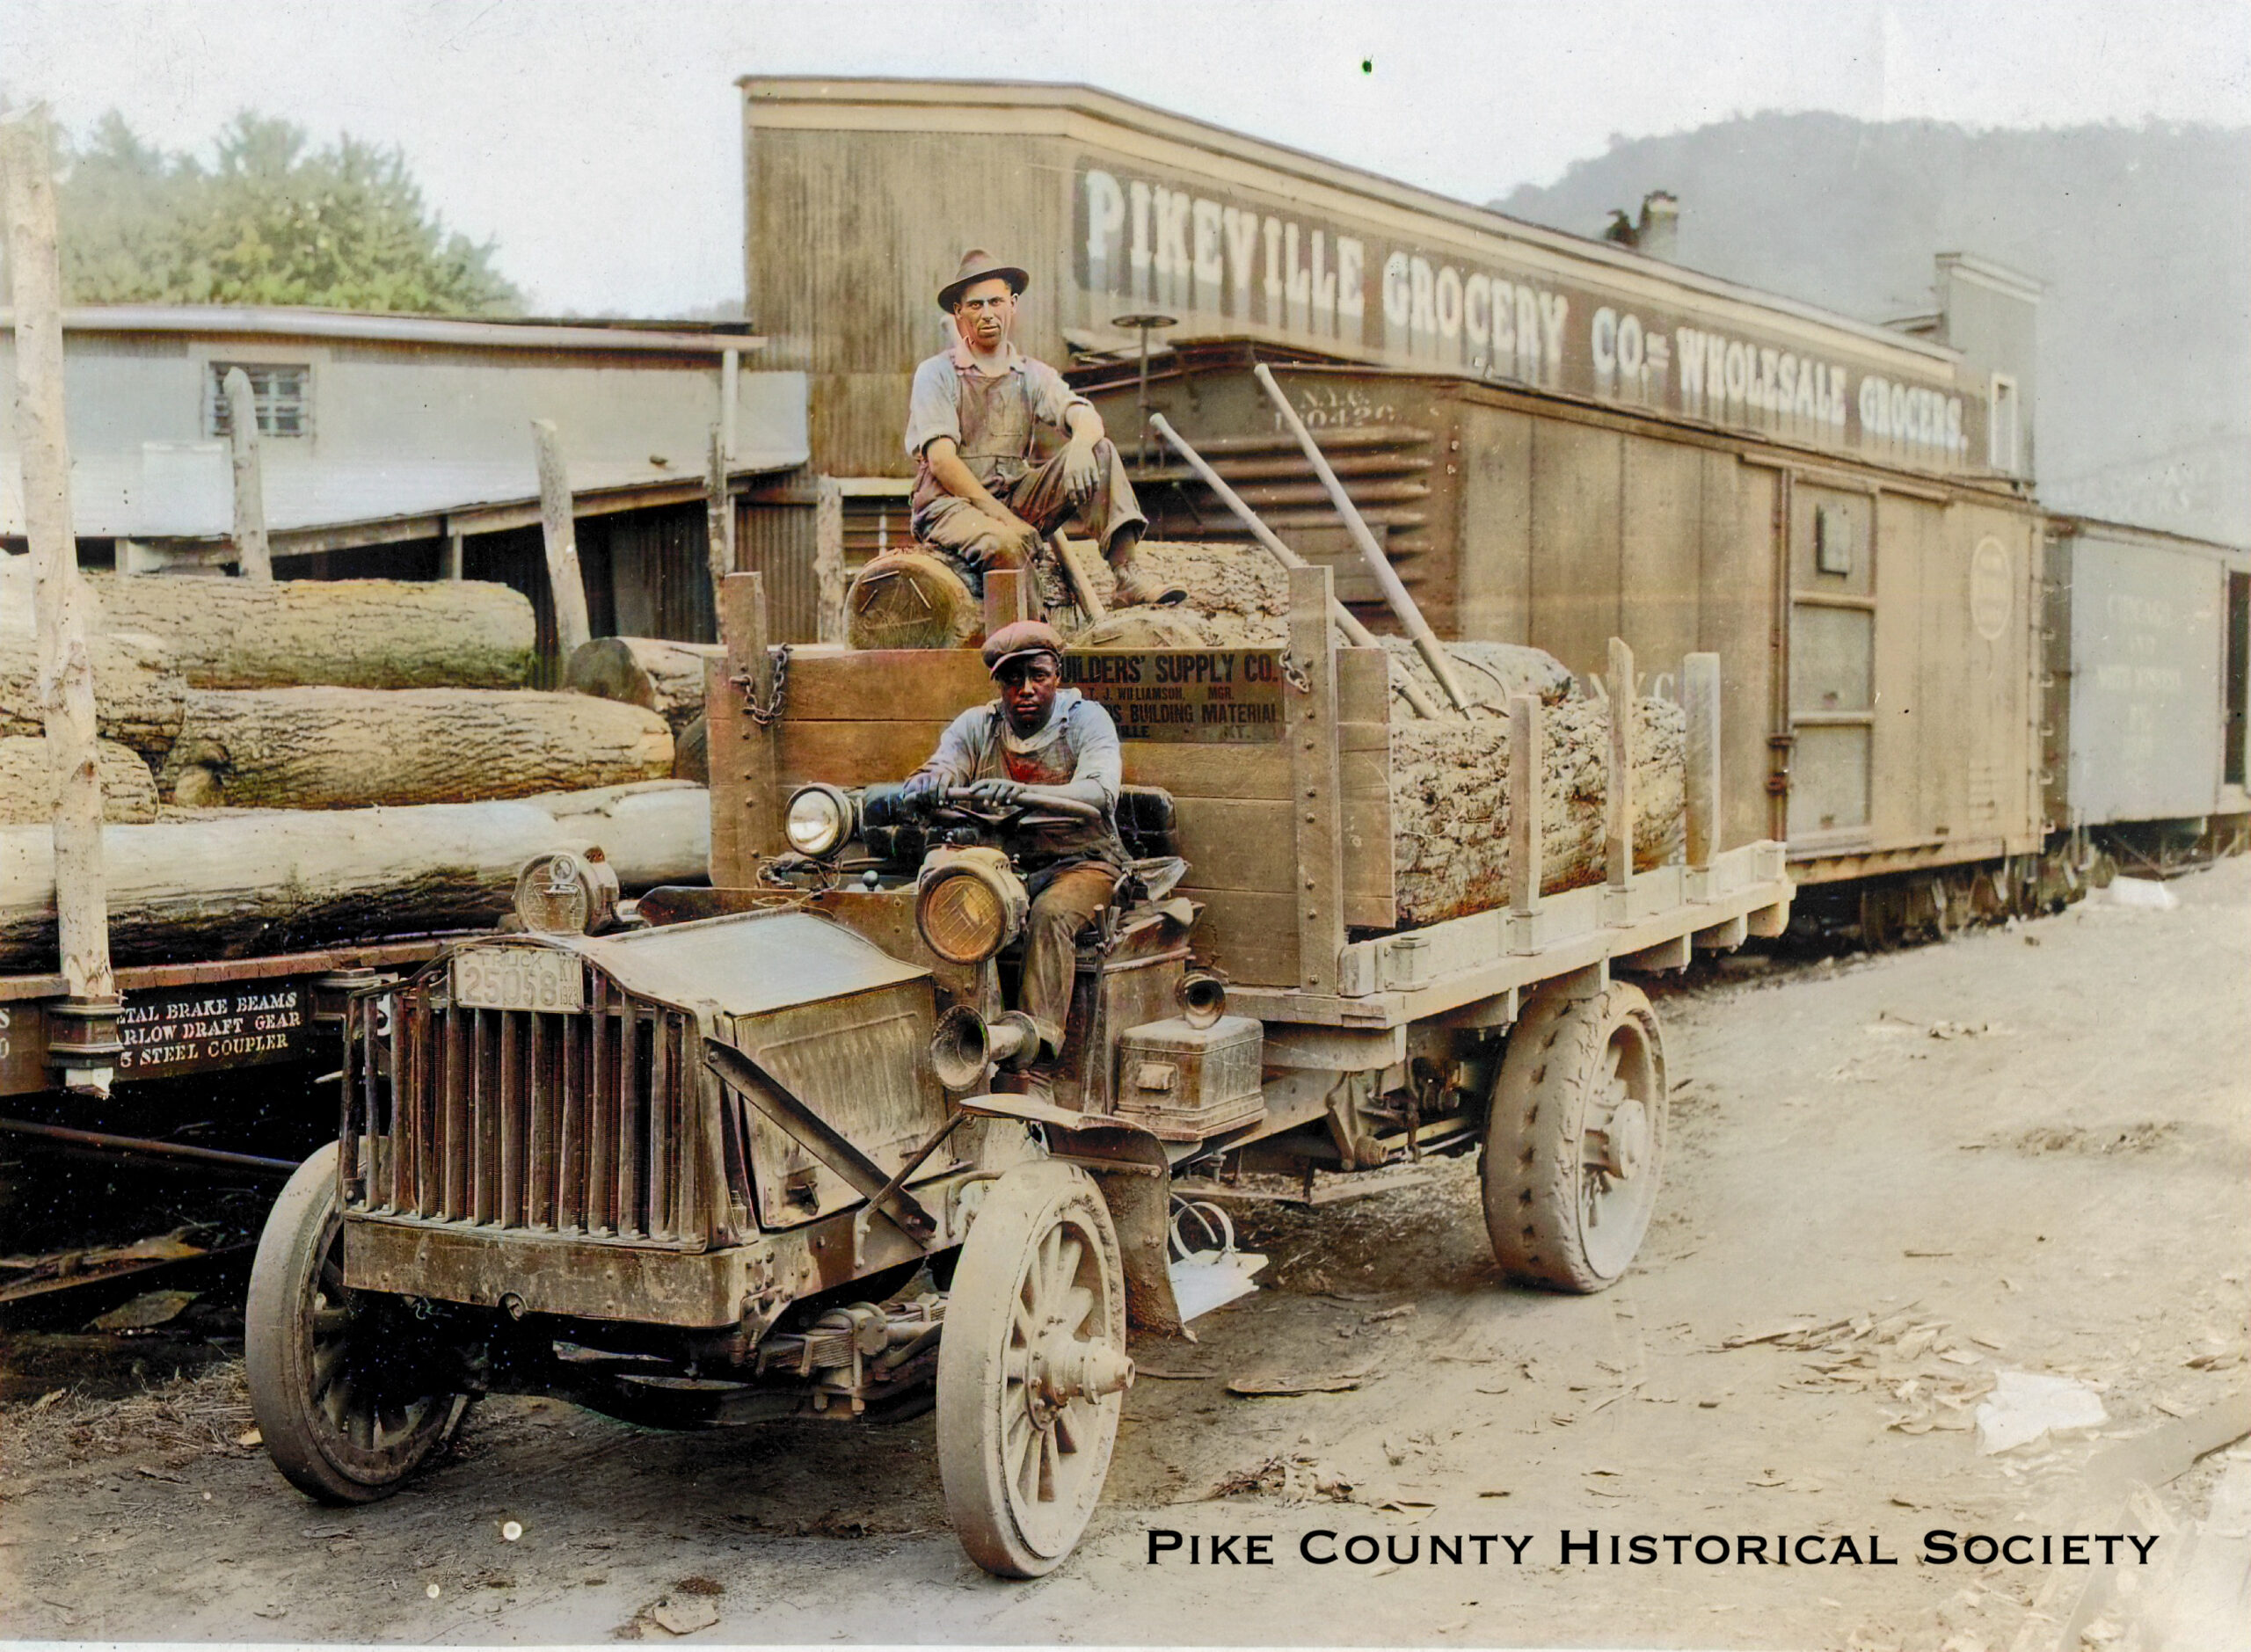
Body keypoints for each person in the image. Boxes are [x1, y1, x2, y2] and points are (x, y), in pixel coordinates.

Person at [898, 620, 1128, 1063]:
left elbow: (1100, 792)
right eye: (1011, 679)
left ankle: (1034, 1054)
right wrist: (933, 781)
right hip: (1003, 867)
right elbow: (943, 764)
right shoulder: (977, 725)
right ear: (999, 685)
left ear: (1057, 675)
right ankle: (953, 1038)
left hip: (1081, 864)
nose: (1025, 689)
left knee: (1051, 915)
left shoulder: (1085, 720)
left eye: (1037, 676)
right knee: (945, 902)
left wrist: (1023, 793)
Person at [904, 248, 1184, 608]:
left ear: (1012, 304)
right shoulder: (937, 373)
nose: (987, 314)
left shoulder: (1030, 374)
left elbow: (1085, 416)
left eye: (995, 302)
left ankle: (1127, 576)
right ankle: (1027, 635)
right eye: (975, 305)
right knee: (1006, 546)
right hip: (949, 506)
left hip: (1013, 497)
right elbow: (942, 461)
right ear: (959, 312)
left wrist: (1080, 446)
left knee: (1099, 451)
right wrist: (1005, 521)